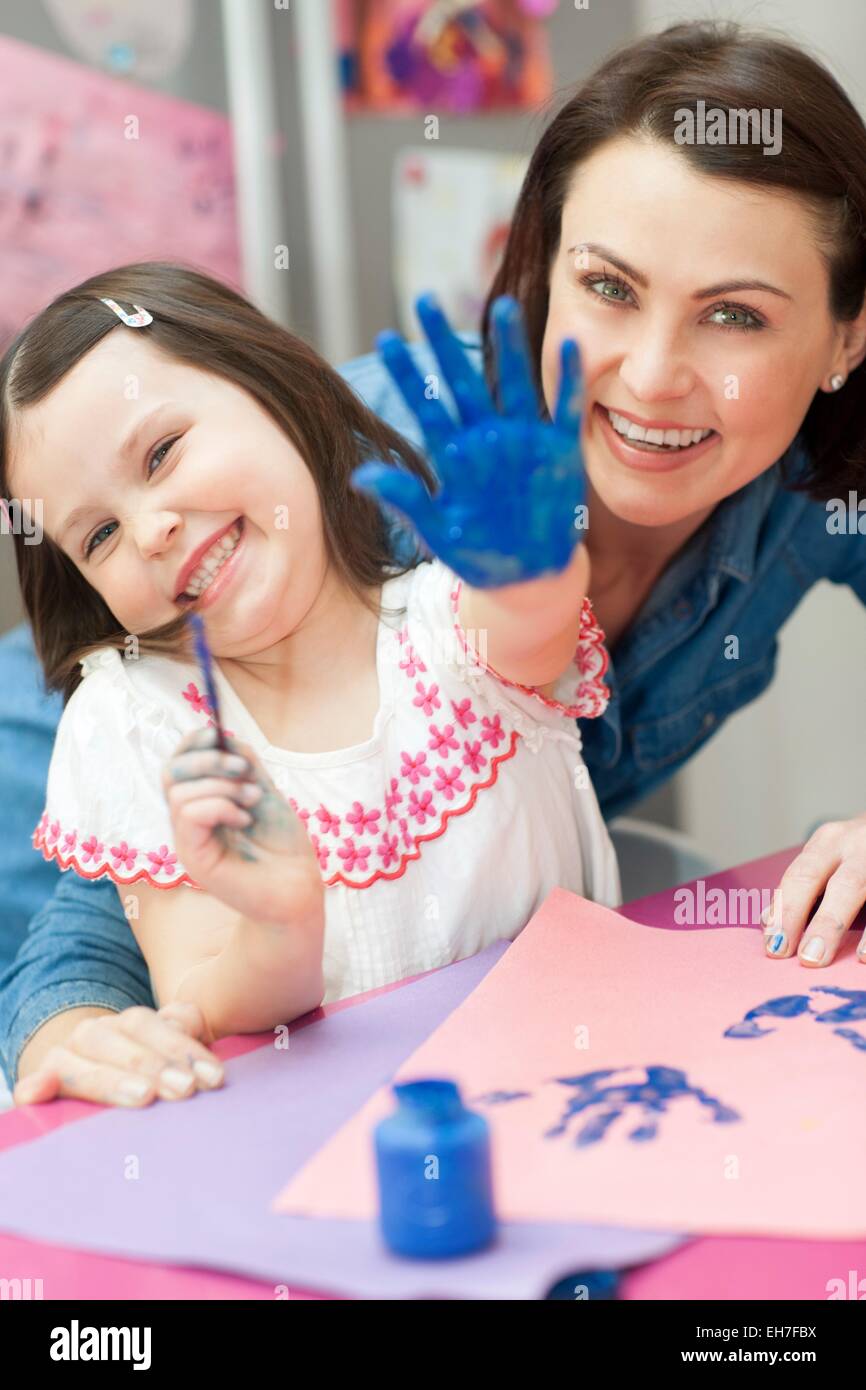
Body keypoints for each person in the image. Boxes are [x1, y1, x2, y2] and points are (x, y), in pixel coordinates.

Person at [3, 17, 866, 1105]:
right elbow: (96, 897)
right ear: (539, 268)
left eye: (733, 315)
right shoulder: (366, 463)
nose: (651, 375)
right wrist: (68, 1022)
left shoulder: (823, 479)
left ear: (847, 334)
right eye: (606, 287)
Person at [0, 263, 618, 1107]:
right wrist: (280, 921)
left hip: (580, 1097)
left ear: (280, 392)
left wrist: (531, 560)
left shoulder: (452, 620)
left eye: (162, 452)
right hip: (315, 1165)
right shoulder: (132, 725)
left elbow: (531, 622)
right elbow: (203, 1003)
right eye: (99, 533)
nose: (149, 530)